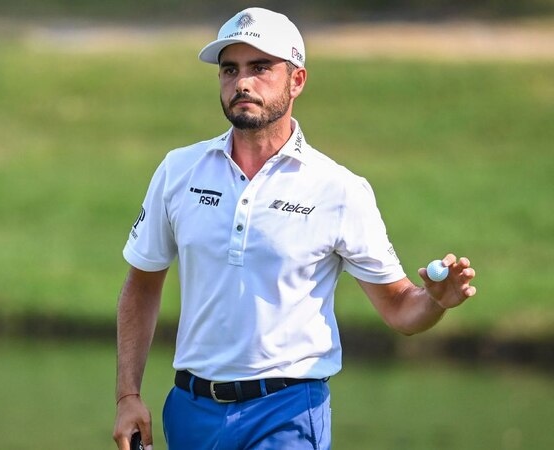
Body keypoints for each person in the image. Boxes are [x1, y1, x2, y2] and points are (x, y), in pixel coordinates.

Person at [112, 7, 477, 450]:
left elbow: (400, 308)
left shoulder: (339, 188)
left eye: (260, 67)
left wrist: (435, 301)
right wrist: (128, 395)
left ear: (297, 80)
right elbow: (143, 283)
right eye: (230, 70)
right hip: (191, 410)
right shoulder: (178, 170)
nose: (242, 82)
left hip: (286, 411)